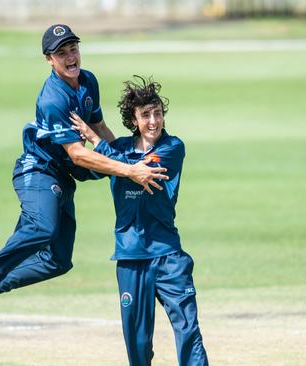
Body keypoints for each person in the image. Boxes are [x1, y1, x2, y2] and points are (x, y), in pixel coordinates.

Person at [0, 25, 168, 340]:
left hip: (63, 175)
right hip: (38, 171)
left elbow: (99, 127)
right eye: (61, 53)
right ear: (49, 60)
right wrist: (129, 171)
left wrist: (128, 159)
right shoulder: (53, 97)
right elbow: (79, 154)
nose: (70, 57)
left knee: (57, 260)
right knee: (43, 228)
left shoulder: (88, 81)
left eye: (73, 49)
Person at [70, 75, 209, 365]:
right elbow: (96, 168)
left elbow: (141, 170)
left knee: (188, 329)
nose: (154, 121)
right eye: (145, 115)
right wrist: (85, 150)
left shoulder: (172, 147)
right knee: (138, 341)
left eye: (157, 113)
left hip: (168, 253)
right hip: (131, 254)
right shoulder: (119, 150)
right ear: (134, 120)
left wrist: (98, 142)